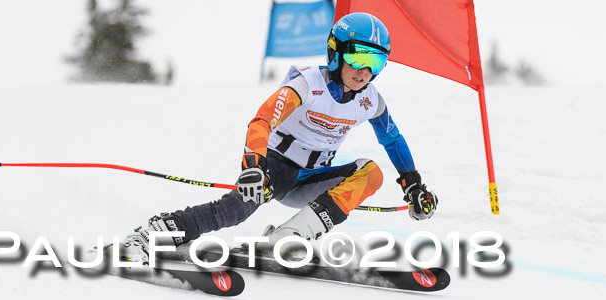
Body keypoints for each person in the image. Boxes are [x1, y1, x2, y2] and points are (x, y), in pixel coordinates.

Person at [120, 12, 438, 263]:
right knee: (235, 211)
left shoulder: (370, 100)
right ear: (337, 52)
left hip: (312, 177)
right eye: (358, 58)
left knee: (371, 172)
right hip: (276, 167)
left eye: (376, 62)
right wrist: (253, 165)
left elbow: (392, 140)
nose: (364, 71)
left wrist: (412, 183)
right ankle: (157, 232)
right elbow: (262, 120)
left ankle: (292, 235)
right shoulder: (307, 84)